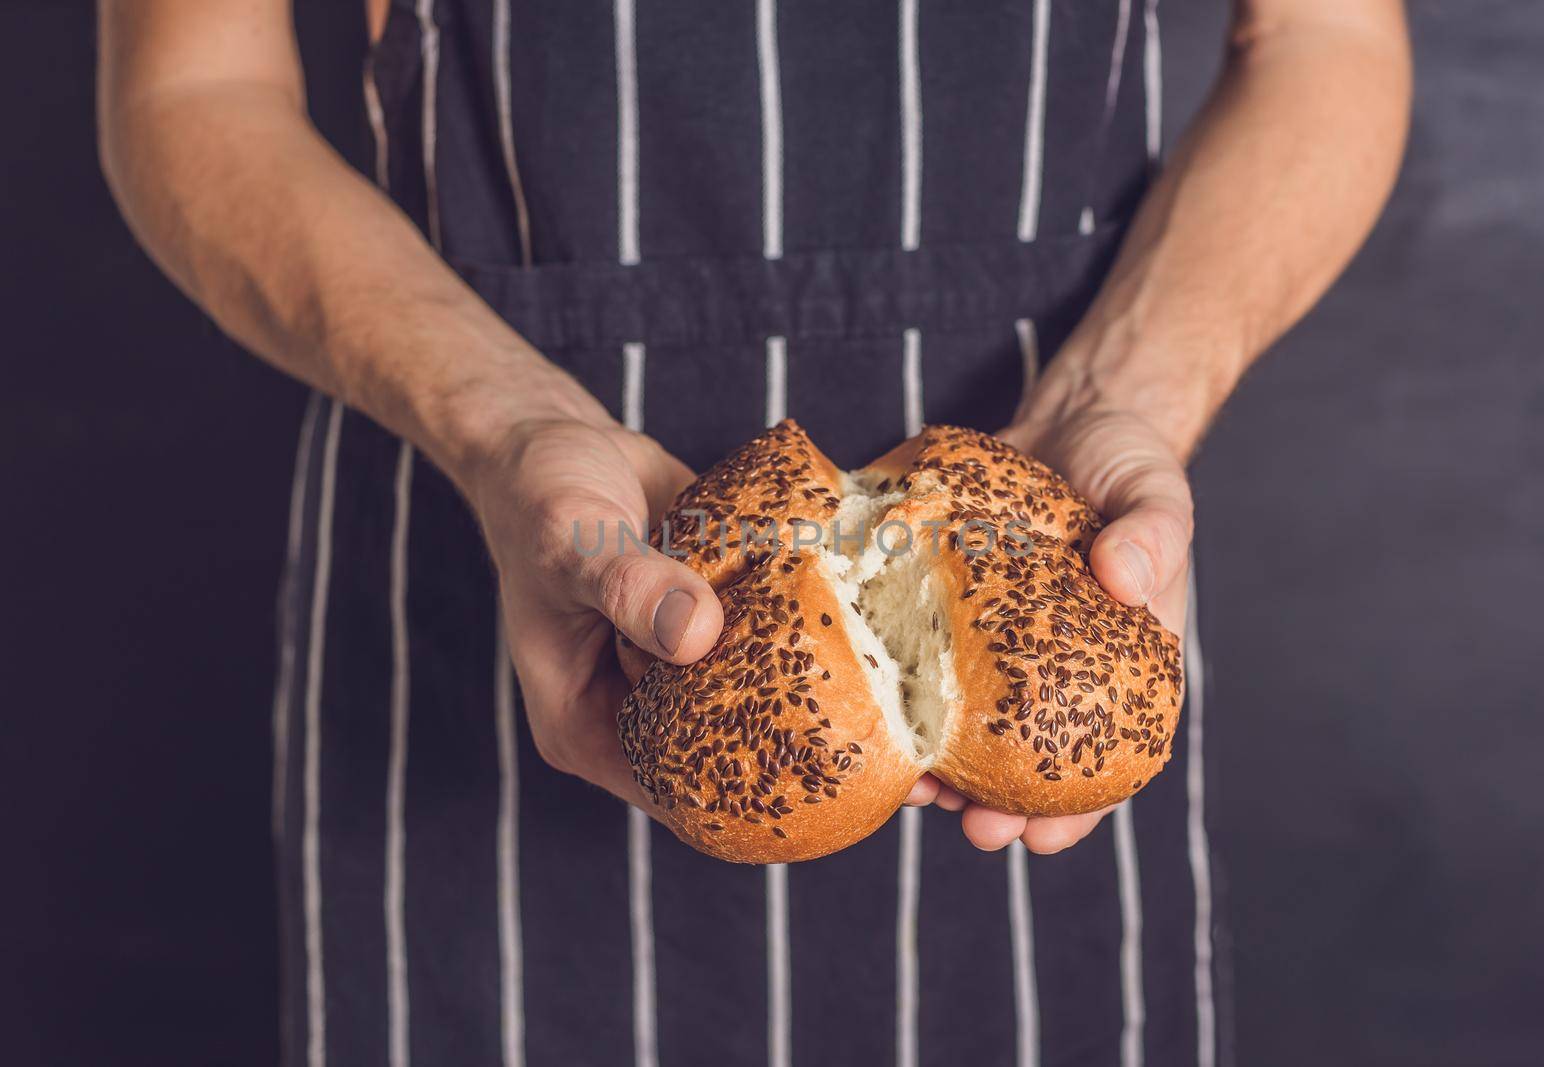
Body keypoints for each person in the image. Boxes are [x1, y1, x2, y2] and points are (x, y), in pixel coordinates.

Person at [99, 0, 1410, 1063]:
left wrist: (1124, 393)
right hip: (488, 507)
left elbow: (1323, 40)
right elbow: (193, 92)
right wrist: (500, 428)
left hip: (1047, 569)